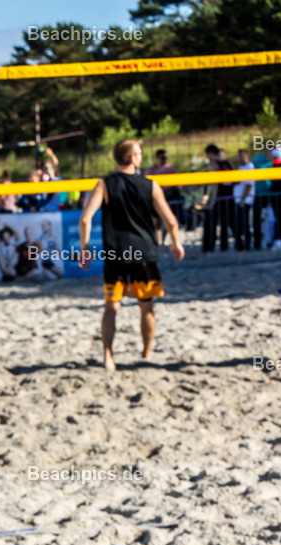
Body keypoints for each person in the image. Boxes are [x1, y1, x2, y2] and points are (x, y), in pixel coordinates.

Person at [77, 139, 185, 371]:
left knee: (111, 306)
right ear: (132, 158)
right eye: (139, 153)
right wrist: (176, 243)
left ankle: (108, 356)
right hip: (143, 251)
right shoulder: (151, 185)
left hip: (116, 251)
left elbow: (85, 219)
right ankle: (146, 354)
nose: (142, 157)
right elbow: (171, 220)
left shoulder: (104, 184)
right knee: (146, 306)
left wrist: (84, 249)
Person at [145, 149, 182, 245]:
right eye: (162, 157)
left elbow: (178, 184)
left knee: (168, 220)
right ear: (157, 158)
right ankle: (157, 242)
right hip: (154, 198)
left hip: (167, 198)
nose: (163, 159)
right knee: (156, 221)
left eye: (165, 157)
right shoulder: (151, 170)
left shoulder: (170, 169)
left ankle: (163, 241)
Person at [233, 149, 255, 251]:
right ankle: (239, 246)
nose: (239, 158)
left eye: (241, 156)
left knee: (245, 224)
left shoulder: (249, 167)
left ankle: (247, 246)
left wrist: (242, 199)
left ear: (247, 156)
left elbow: (248, 185)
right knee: (239, 224)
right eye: (238, 156)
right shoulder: (241, 168)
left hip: (245, 201)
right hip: (239, 200)